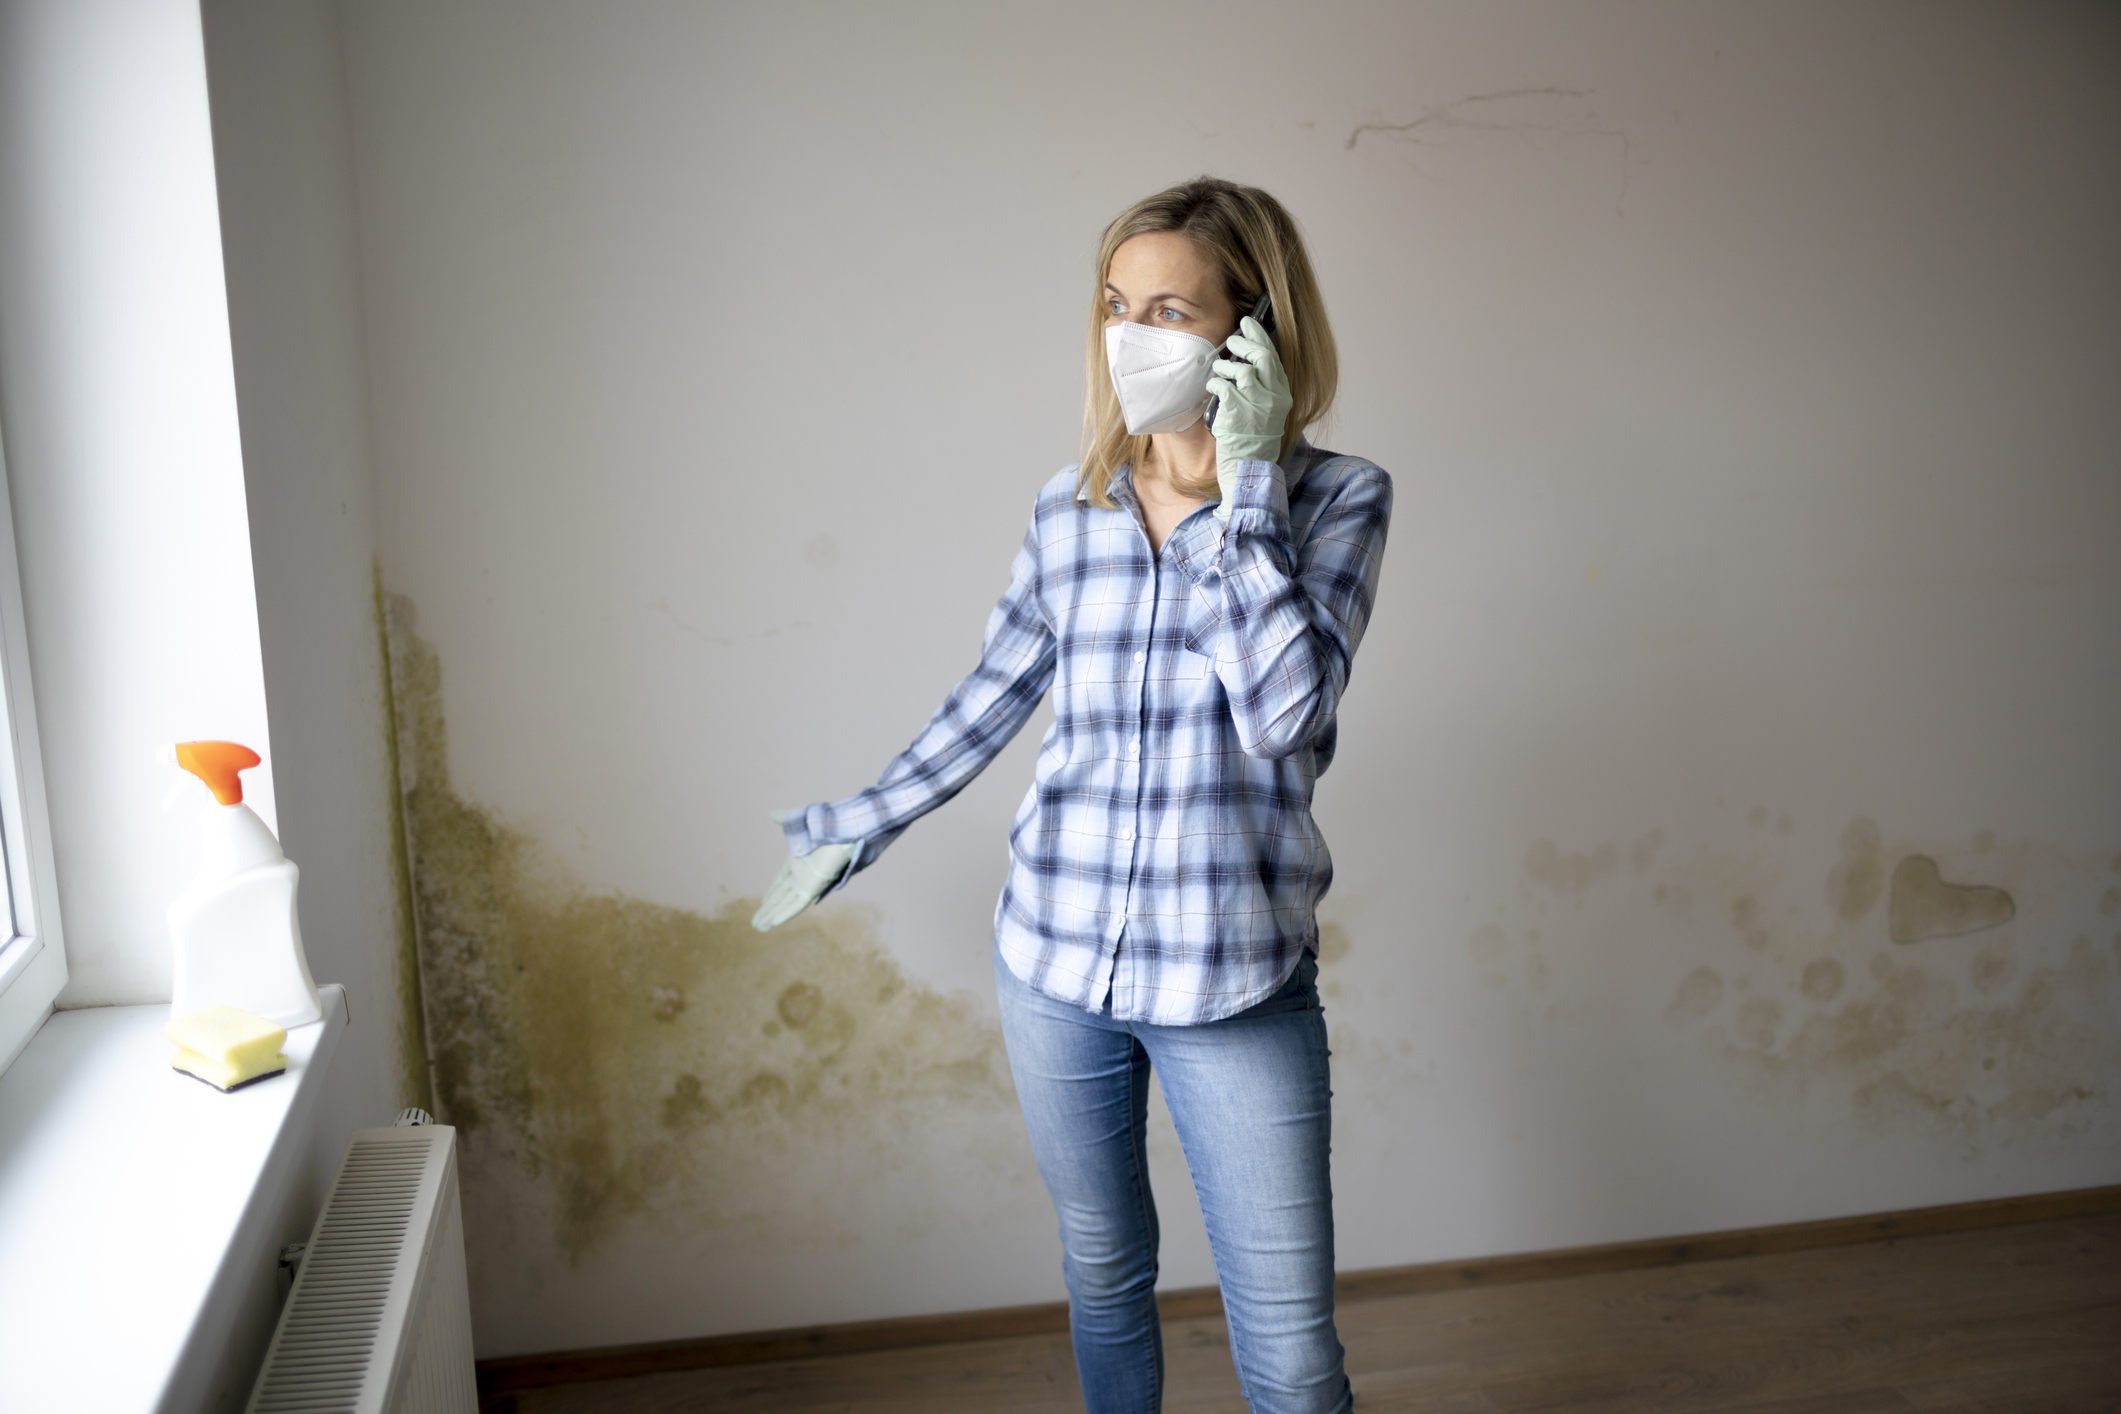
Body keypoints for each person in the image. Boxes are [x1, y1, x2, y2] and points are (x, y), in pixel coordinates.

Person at [753, 175, 1392, 1414]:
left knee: (1293, 1355)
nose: (1130, 333)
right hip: (1053, 960)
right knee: (1103, 1273)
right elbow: (990, 692)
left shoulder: (1340, 499)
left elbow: (1284, 716)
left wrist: (1238, 494)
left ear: (1253, 328)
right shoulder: (1070, 503)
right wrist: (861, 822)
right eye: (1115, 302)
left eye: (1169, 307)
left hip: (1233, 976)